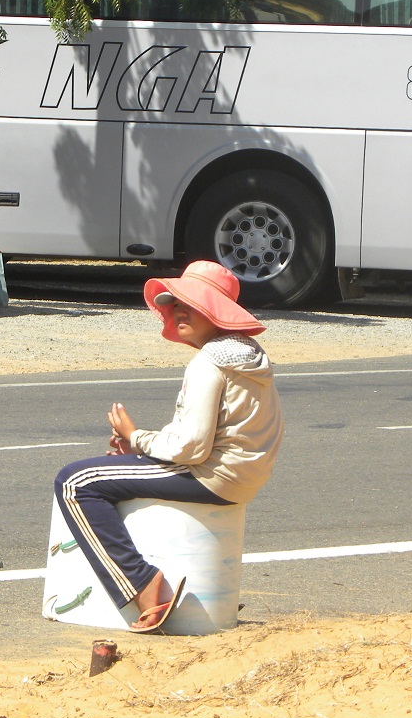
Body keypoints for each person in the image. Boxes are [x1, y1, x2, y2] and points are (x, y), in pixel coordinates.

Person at [54, 260, 284, 634]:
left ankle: (143, 586)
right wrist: (144, 453)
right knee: (101, 474)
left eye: (189, 305)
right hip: (242, 476)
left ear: (216, 312)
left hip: (210, 474)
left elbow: (191, 447)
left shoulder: (209, 363)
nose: (176, 311)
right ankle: (197, 585)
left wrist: (135, 437)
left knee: (76, 481)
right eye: (172, 303)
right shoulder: (250, 356)